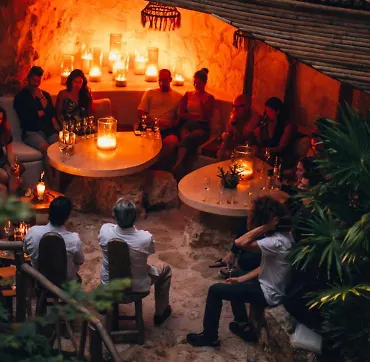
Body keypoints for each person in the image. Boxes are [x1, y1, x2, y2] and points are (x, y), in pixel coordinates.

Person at [187, 196, 294, 347]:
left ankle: (210, 337)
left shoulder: (276, 242)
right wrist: (240, 279)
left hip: (269, 293)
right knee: (235, 276)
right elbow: (265, 267)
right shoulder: (283, 236)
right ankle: (242, 323)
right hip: (270, 285)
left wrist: (265, 227)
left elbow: (240, 242)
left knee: (215, 291)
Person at [98, 198, 172, 325]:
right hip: (136, 287)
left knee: (108, 268)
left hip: (109, 283)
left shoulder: (105, 231)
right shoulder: (145, 238)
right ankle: (161, 312)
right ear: (135, 217)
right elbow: (150, 252)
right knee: (165, 269)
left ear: (114, 215)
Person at [24, 196, 84, 281]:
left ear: (49, 213)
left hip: (39, 280)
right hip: (65, 283)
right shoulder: (74, 239)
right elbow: (80, 261)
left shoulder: (33, 232)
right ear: (67, 217)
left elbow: (25, 250)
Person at [173, 68, 215, 173]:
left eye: (198, 83)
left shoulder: (209, 97)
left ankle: (178, 164)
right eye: (194, 82)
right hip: (188, 123)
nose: (196, 85)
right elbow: (181, 113)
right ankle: (183, 167)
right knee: (186, 138)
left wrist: (201, 103)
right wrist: (191, 116)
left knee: (189, 138)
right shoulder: (188, 95)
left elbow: (206, 117)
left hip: (202, 126)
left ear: (204, 83)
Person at [137, 69, 182, 169]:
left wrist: (171, 124)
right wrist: (153, 121)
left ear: (170, 79)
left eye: (164, 80)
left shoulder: (178, 97)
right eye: (160, 80)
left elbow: (179, 118)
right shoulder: (150, 93)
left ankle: (156, 165)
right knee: (145, 142)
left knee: (172, 141)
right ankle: (147, 165)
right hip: (150, 126)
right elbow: (141, 112)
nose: (161, 83)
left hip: (167, 129)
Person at [14, 66, 59, 154]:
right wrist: (38, 113)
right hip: (31, 132)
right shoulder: (21, 97)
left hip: (48, 131)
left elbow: (51, 113)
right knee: (47, 150)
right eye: (33, 80)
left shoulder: (45, 95)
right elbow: (25, 119)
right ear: (28, 79)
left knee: (59, 149)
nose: (35, 84)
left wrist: (41, 98)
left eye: (38, 81)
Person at [255, 97, 296, 169]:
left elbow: (280, 148)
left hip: (282, 157)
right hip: (269, 155)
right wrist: (258, 136)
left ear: (278, 111)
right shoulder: (266, 123)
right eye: (266, 111)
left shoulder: (287, 126)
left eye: (270, 111)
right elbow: (262, 144)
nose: (267, 114)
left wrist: (265, 150)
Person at [217, 94, 260, 160]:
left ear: (247, 106)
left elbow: (248, 136)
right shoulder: (233, 115)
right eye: (234, 106)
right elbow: (228, 134)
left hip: (247, 145)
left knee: (254, 148)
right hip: (235, 144)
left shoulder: (254, 117)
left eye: (238, 106)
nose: (235, 109)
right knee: (223, 144)